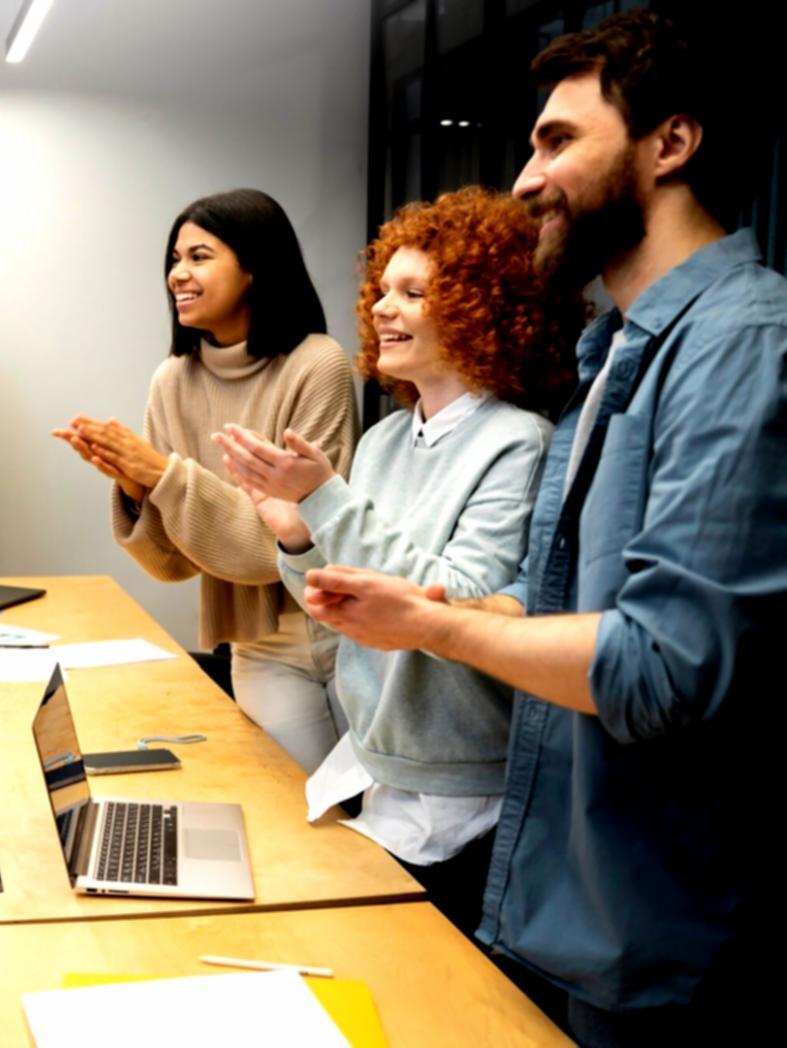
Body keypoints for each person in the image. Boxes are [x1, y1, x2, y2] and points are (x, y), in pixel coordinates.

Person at [297, 12, 783, 1041]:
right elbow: (549, 598)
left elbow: (661, 666)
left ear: (669, 143)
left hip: (670, 925)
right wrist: (427, 609)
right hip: (572, 894)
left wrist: (434, 625)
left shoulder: (740, 344)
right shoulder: (613, 355)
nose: (525, 180)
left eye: (556, 140)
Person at [214, 187, 583, 936]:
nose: (382, 308)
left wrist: (325, 502)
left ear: (483, 309)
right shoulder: (385, 439)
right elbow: (340, 605)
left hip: (462, 793)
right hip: (382, 764)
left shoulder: (517, 442)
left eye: (413, 293)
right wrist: (297, 539)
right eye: (383, 290)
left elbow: (457, 602)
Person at [53, 189, 358, 770]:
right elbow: (174, 564)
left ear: (254, 267)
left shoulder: (318, 364)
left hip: (346, 630)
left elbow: (288, 543)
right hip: (257, 643)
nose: (178, 274)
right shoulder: (172, 380)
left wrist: (163, 475)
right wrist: (139, 490)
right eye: (175, 258)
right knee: (298, 803)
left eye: (199, 256)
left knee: (376, 812)